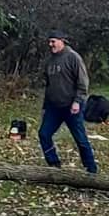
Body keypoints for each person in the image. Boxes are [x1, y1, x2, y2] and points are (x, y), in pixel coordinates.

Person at [39, 34, 98, 174]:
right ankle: (54, 163)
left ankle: (91, 169)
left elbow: (83, 82)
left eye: (53, 41)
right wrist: (45, 106)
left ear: (61, 41)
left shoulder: (73, 57)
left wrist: (77, 102)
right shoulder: (49, 61)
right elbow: (49, 85)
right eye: (49, 42)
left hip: (72, 107)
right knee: (44, 134)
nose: (50, 45)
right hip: (54, 107)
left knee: (81, 139)